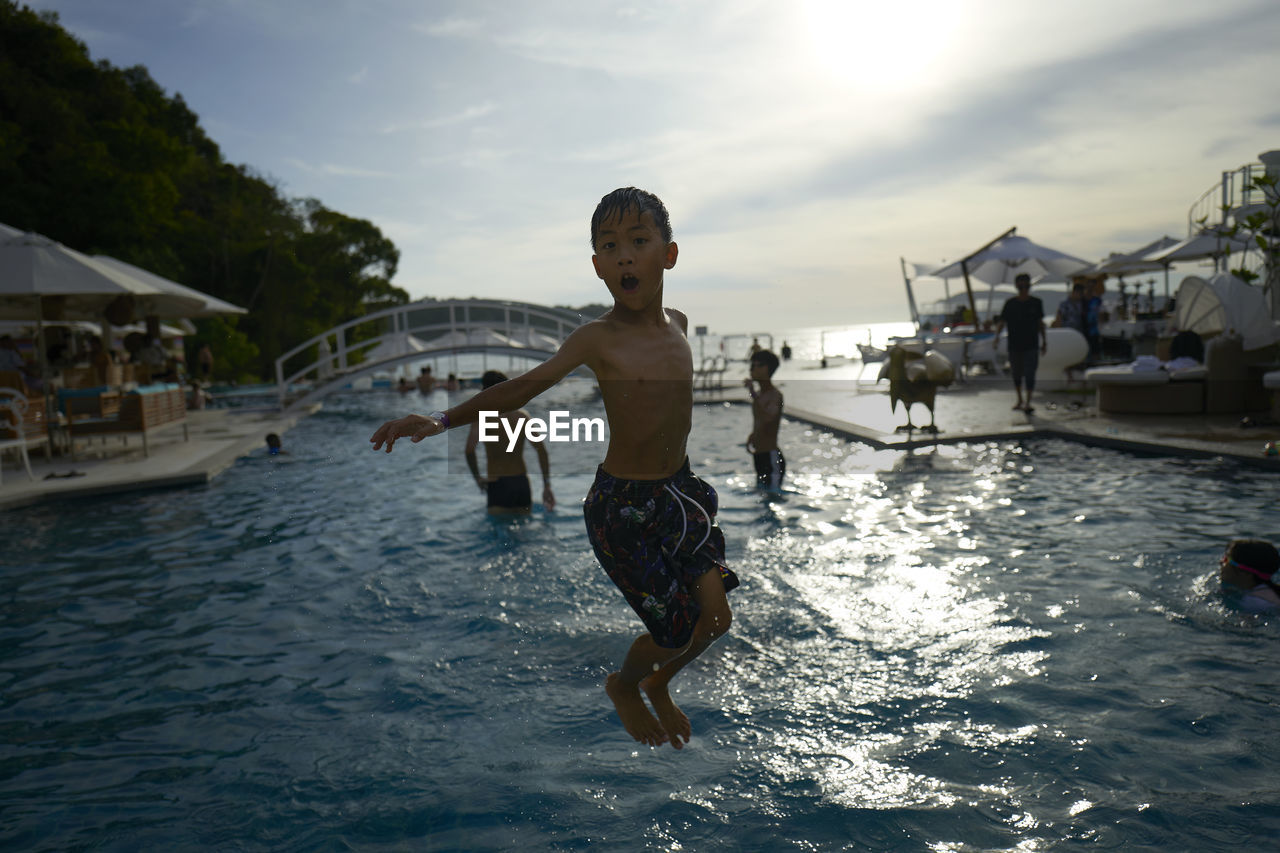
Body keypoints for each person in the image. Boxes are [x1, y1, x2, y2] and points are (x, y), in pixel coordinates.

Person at [370, 187, 738, 750]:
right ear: (597, 266)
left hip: (679, 493)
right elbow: (522, 387)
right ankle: (626, 685)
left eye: (639, 242)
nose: (624, 256)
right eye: (610, 247)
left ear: (669, 254)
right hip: (622, 507)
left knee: (716, 620)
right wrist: (442, 420)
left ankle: (661, 683)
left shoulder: (681, 326)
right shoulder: (596, 338)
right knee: (673, 630)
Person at [465, 370, 555, 515]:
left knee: (498, 534)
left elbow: (469, 450)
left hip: (497, 484)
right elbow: (541, 451)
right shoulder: (522, 416)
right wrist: (547, 485)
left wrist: (478, 478)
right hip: (521, 483)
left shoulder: (482, 418)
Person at [993, 273, 1047, 413]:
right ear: (1017, 286)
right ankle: (1020, 399)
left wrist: (1044, 341)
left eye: (1026, 285)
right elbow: (1002, 322)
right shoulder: (1010, 303)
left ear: (1029, 285)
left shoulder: (1036, 302)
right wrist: (996, 337)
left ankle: (1027, 401)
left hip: (1031, 344)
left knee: (1030, 373)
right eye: (1021, 285)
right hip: (1015, 344)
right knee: (1016, 373)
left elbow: (1040, 323)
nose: (1023, 287)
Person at [743, 349, 785, 490]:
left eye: (756, 366)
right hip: (759, 456)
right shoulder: (760, 395)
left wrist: (753, 393)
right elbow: (761, 422)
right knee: (761, 496)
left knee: (773, 496)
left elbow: (769, 417)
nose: (751, 369)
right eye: (751, 366)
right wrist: (753, 435)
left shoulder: (775, 395)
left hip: (771, 457)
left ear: (766, 368)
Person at [1220, 538, 1280, 613]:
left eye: (1227, 559)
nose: (1221, 562)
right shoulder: (1271, 591)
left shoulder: (1253, 603)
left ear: (1245, 573)